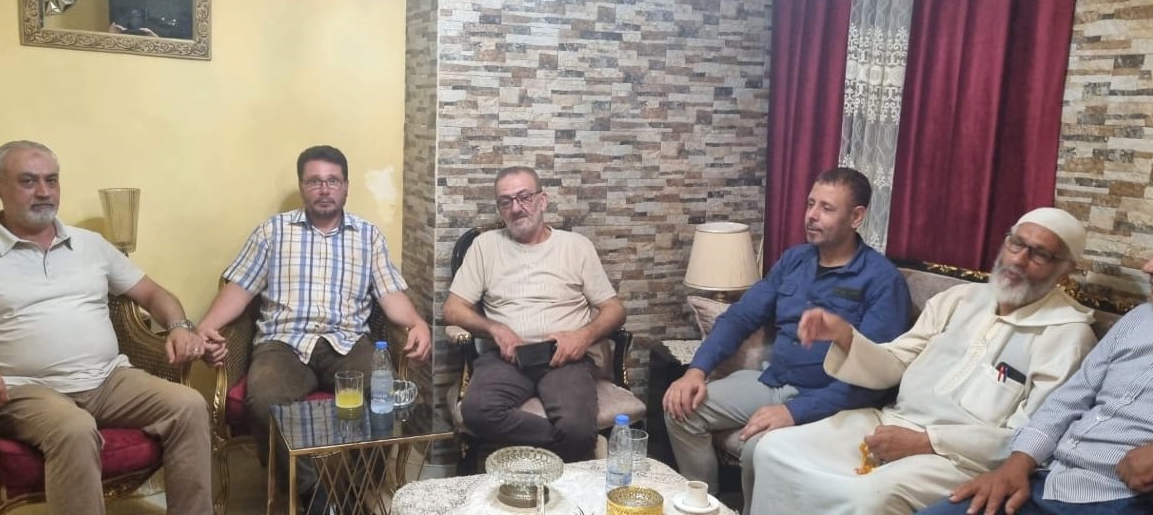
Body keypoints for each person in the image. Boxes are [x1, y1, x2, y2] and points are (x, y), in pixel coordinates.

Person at [0, 140, 212, 515]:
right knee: (74, 428)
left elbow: (154, 294)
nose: (44, 192)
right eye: (28, 181)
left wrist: (180, 326)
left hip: (108, 380)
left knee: (189, 404)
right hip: (23, 391)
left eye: (51, 180)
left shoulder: (91, 245)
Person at [746, 207, 1100, 515]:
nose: (1018, 260)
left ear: (1064, 270)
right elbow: (896, 361)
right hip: (890, 421)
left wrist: (928, 441)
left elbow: (1029, 436)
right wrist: (845, 336)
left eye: (1039, 255)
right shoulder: (961, 299)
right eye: (1016, 243)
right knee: (774, 448)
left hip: (960, 459)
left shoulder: (1066, 335)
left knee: (866, 497)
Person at [920, 207, 1153, 515]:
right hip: (1048, 479)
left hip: (1124, 499)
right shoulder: (1141, 319)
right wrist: (1017, 463)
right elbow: (1069, 399)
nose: (1148, 267)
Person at [196, 145, 432, 510]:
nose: (324, 189)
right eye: (315, 181)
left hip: (348, 342)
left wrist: (417, 323)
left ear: (346, 187)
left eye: (333, 181)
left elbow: (391, 295)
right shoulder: (273, 232)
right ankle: (312, 495)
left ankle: (355, 495)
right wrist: (206, 326)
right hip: (283, 344)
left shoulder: (367, 236)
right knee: (265, 400)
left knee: (381, 395)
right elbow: (239, 289)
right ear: (302, 186)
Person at [663, 167, 913, 501]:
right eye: (810, 203)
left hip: (831, 402)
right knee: (680, 408)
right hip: (773, 380)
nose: (812, 215)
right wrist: (697, 370)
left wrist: (796, 412)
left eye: (826, 208)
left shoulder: (882, 281)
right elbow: (740, 317)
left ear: (856, 217)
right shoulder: (794, 260)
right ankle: (704, 505)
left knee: (759, 448)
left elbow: (873, 378)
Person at [441, 166, 627, 463]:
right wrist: (494, 329)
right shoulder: (485, 246)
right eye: (505, 201)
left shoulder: (575, 246)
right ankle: (569, 447)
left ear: (543, 200)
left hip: (564, 357)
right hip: (508, 357)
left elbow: (615, 309)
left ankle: (566, 451)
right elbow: (452, 309)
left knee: (576, 426)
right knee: (476, 411)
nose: (516, 208)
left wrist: (582, 337)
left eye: (524, 197)